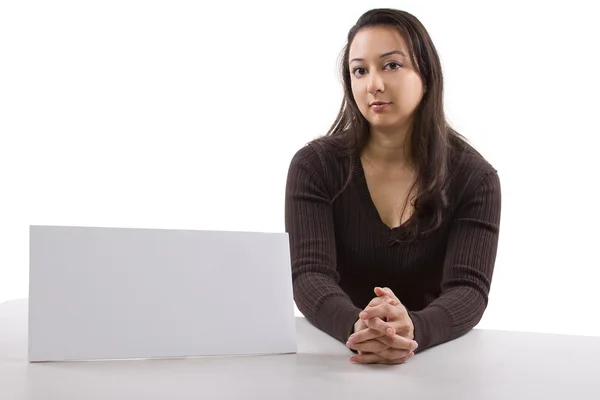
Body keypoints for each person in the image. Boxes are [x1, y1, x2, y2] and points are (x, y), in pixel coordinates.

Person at [284, 8, 502, 365]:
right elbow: (309, 275)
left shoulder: (475, 178)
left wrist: (412, 329)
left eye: (391, 65)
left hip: (436, 366)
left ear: (427, 75)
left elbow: (469, 290)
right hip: (336, 362)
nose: (374, 84)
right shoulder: (314, 167)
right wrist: (359, 327)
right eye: (360, 70)